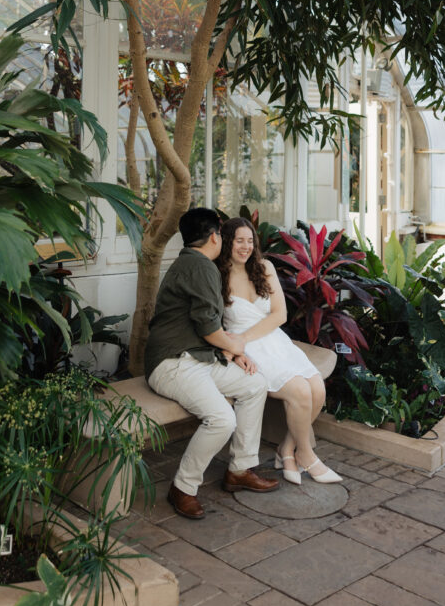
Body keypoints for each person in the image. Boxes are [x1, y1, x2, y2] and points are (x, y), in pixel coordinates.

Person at [145, 207, 279, 520]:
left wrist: (231, 350)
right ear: (215, 237)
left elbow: (206, 325)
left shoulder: (193, 263)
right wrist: (235, 345)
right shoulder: (200, 266)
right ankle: (183, 487)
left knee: (253, 384)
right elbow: (208, 327)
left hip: (198, 358)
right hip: (172, 364)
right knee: (222, 419)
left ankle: (240, 469)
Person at [217, 217, 342, 485]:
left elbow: (280, 314)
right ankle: (307, 456)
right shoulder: (218, 275)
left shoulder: (264, 267)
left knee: (317, 387)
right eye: (239, 240)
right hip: (245, 349)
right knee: (298, 390)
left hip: (273, 340)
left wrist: (244, 338)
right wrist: (237, 349)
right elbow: (214, 324)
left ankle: (286, 449)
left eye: (250, 241)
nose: (245, 247)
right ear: (227, 242)